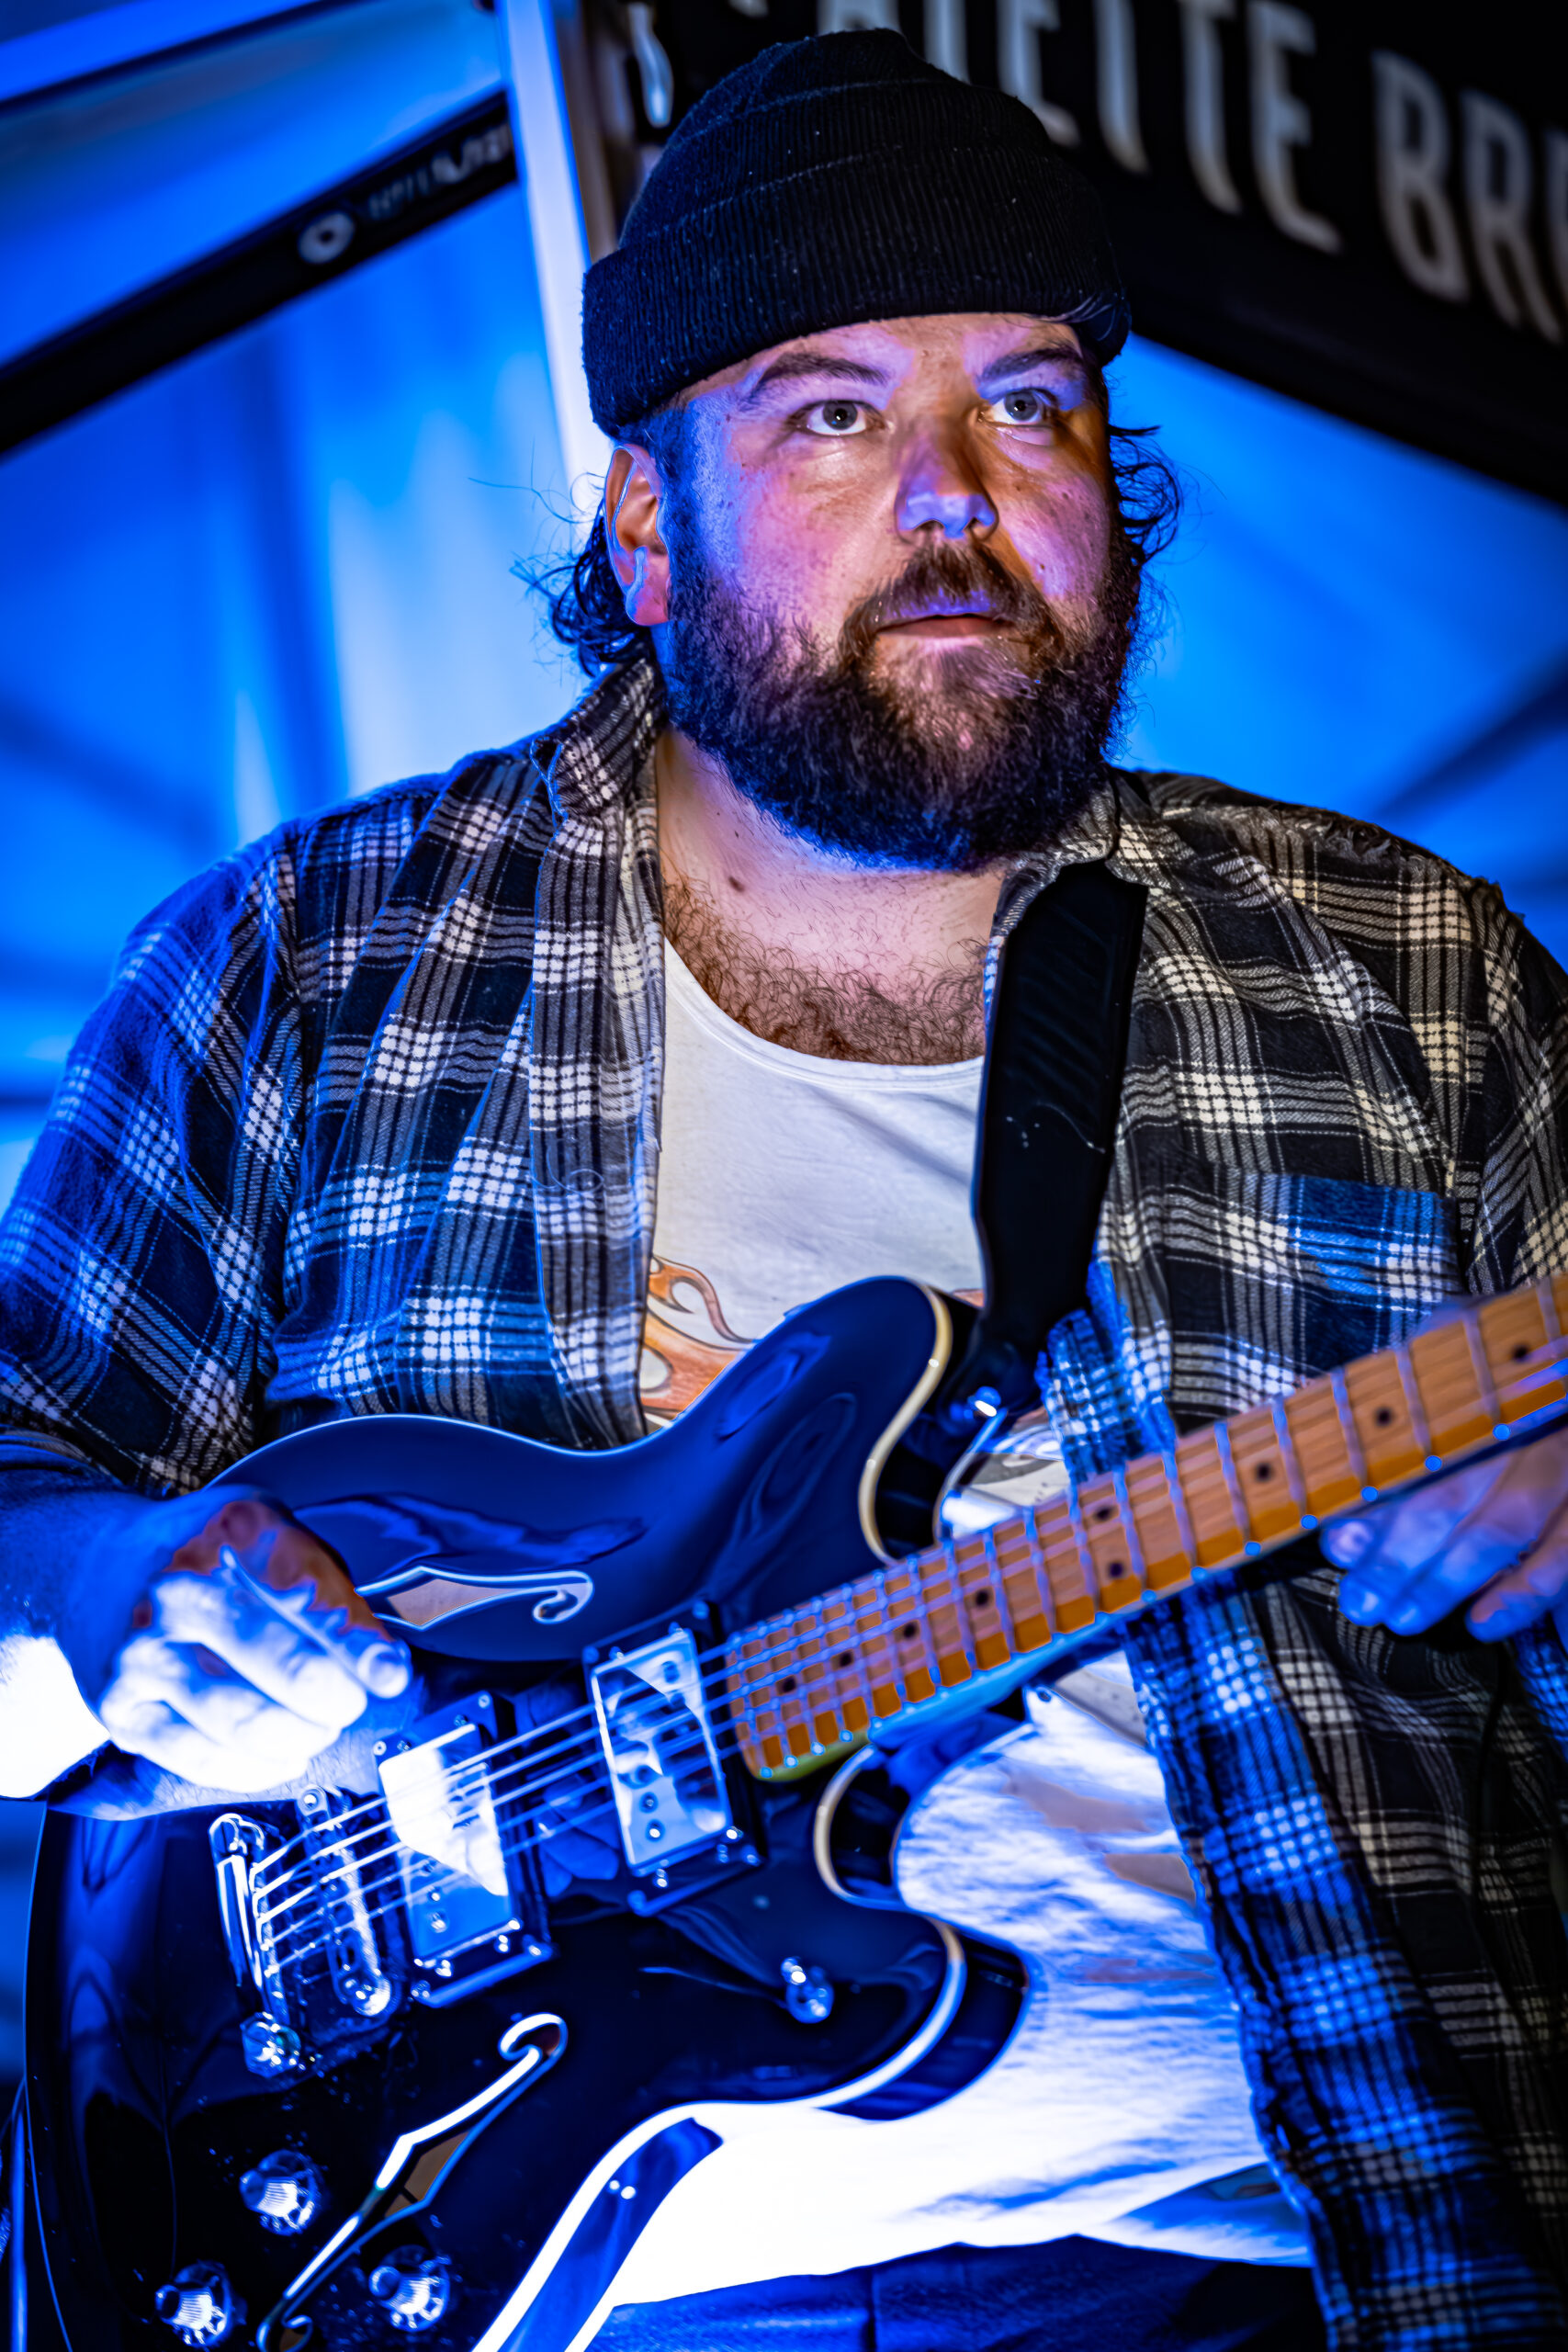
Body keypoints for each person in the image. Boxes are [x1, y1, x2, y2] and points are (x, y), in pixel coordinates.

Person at [3, 28, 1568, 2348]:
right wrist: (114, 1572)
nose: (957, 494)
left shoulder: (1401, 967)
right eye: (832, 411)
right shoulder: (302, 966)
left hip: (1286, 2258)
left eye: (1027, 402)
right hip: (517, 2276)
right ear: (645, 527)